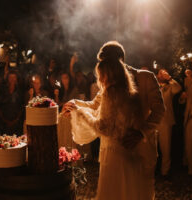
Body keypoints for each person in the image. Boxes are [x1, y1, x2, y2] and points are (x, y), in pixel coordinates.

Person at [63, 41, 165, 200]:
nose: (102, 66)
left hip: (141, 147)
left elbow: (159, 110)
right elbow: (95, 104)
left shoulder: (145, 77)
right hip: (112, 149)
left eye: (106, 61)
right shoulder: (109, 82)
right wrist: (74, 104)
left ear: (120, 60)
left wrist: (140, 133)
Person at [156, 69, 181, 177]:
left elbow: (178, 88)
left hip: (166, 121)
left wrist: (169, 78)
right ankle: (152, 171)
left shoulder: (170, 87)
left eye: (163, 73)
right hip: (153, 122)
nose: (161, 75)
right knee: (151, 148)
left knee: (166, 148)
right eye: (159, 73)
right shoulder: (153, 86)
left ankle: (165, 172)